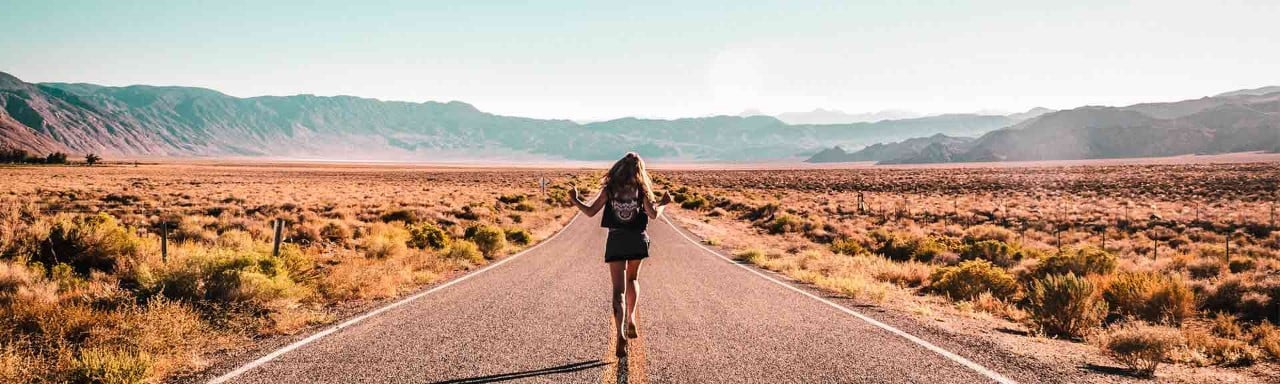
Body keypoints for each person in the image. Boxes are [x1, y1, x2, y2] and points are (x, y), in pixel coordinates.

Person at [570, 152, 672, 358]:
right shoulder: (642, 189)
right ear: (639, 169)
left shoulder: (610, 189)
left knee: (618, 290)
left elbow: (590, 212)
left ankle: (620, 334)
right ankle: (631, 317)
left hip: (616, 239)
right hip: (637, 239)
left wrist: (575, 200)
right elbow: (653, 214)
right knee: (632, 279)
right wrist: (663, 203)